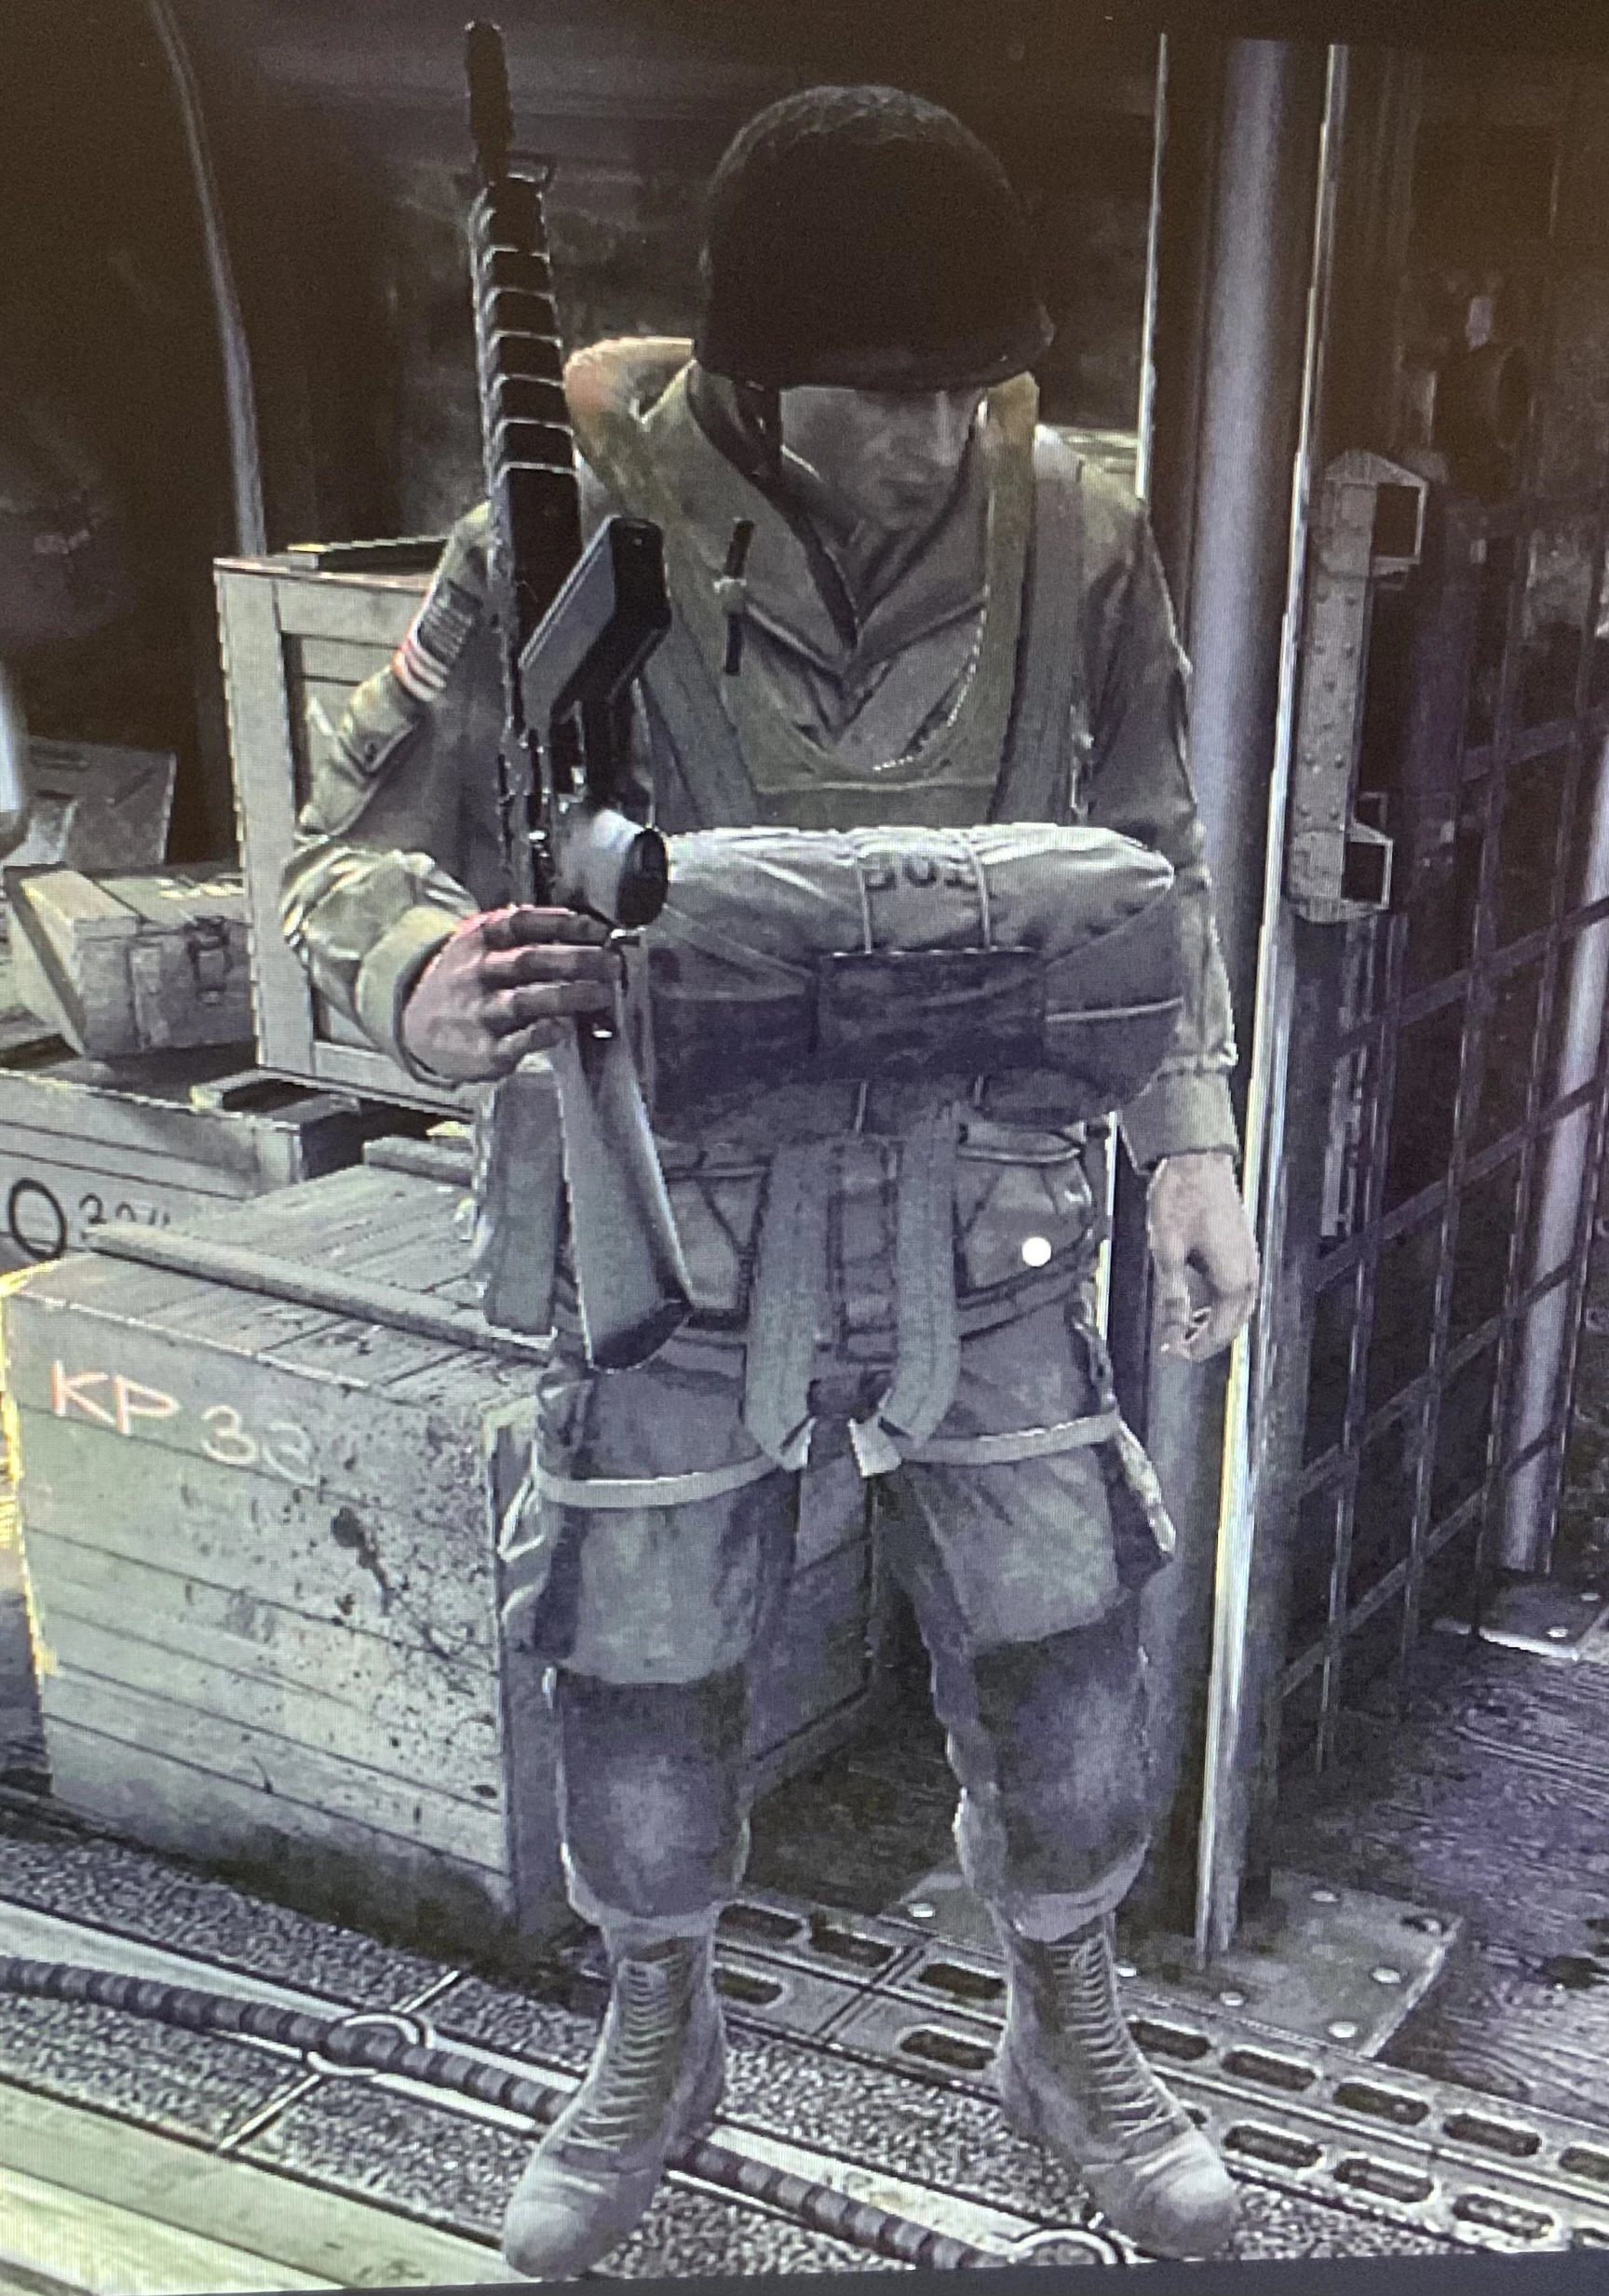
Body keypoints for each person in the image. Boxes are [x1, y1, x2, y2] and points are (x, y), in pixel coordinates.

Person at [281, 84, 1260, 2272]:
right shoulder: (552, 542)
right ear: (749, 375)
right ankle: (661, 2030)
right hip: (676, 1214)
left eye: (964, 390)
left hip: (988, 1210)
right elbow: (346, 851)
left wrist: (1193, 1138)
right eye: (878, 395)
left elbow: (1159, 858)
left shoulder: (1079, 541)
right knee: (635, 1683)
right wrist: (420, 973)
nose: (932, 438)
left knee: (1073, 1677)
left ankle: (1067, 2026)